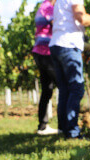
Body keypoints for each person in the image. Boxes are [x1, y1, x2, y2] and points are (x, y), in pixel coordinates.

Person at [49, 0, 90, 139]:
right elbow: (81, 17)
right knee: (76, 88)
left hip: (56, 44)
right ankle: (72, 131)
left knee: (65, 89)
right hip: (68, 44)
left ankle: (64, 128)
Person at [32, 0, 59, 136]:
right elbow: (57, 25)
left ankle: (42, 126)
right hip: (45, 52)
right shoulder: (48, 7)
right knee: (63, 85)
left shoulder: (42, 6)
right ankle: (66, 125)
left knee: (47, 90)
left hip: (39, 52)